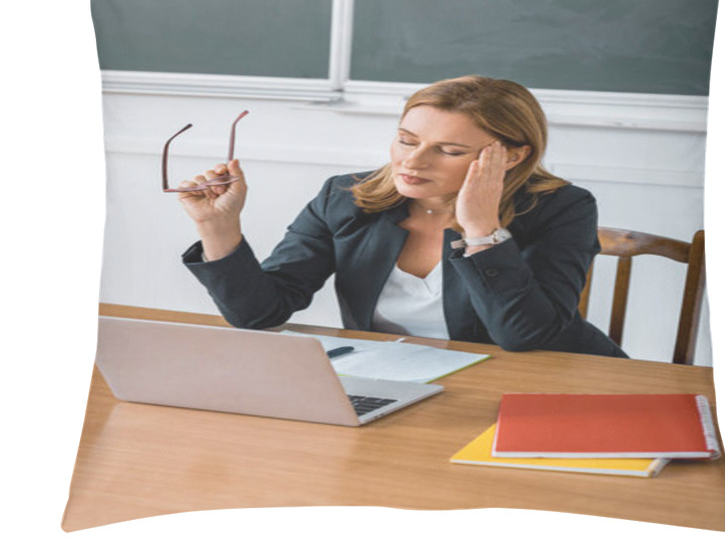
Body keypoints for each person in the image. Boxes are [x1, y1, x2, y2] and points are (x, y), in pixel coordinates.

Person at [179, 76, 626, 357]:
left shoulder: (562, 207)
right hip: (399, 381)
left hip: (539, 385)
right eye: (407, 140)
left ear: (511, 156)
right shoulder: (345, 196)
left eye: (449, 150)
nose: (414, 162)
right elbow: (259, 314)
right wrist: (217, 227)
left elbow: (526, 337)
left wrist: (482, 231)